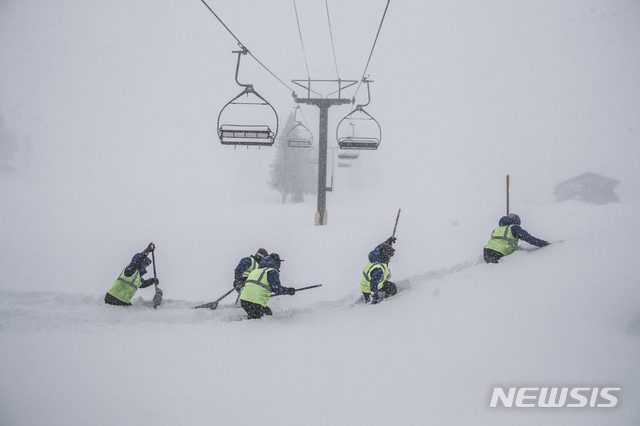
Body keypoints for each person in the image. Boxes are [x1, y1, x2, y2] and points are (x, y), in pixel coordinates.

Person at [239, 253, 295, 319]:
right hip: (255, 302)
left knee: (268, 313)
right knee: (259, 320)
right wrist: (288, 291)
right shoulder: (272, 271)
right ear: (275, 262)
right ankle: (245, 327)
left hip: (244, 300)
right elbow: (277, 288)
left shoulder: (256, 271)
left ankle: (244, 323)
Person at [483, 213, 549, 263]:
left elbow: (500, 241)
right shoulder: (514, 227)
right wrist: (543, 243)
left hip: (487, 252)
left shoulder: (497, 229)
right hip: (499, 253)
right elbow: (529, 238)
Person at [360, 237, 398, 304]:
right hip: (368, 287)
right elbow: (373, 283)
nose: (391, 257)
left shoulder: (375, 254)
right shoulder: (378, 269)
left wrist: (388, 241)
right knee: (392, 287)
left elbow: (380, 247)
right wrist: (375, 296)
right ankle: (388, 304)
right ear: (385, 254)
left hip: (364, 284)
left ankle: (369, 299)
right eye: (390, 255)